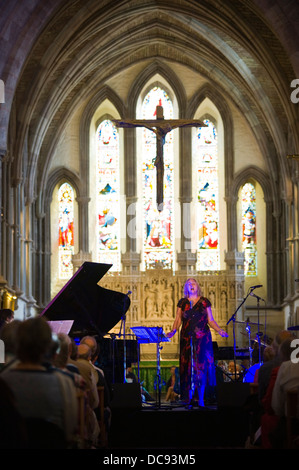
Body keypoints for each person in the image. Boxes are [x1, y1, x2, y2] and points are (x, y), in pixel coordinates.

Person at [0, 316, 78, 447]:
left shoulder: (3, 381)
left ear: (18, 345)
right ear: (48, 347)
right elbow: (69, 431)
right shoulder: (64, 382)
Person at [167, 278, 228, 407]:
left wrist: (220, 330)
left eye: (193, 283)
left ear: (197, 286)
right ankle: (188, 398)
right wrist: (173, 330)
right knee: (187, 368)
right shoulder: (183, 303)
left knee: (201, 367)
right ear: (186, 288)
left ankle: (200, 398)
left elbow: (210, 320)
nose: (191, 285)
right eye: (188, 284)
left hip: (202, 339)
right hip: (186, 338)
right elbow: (178, 319)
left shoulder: (204, 302)